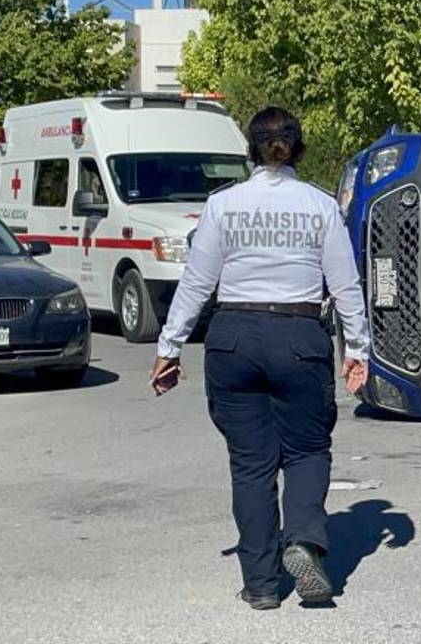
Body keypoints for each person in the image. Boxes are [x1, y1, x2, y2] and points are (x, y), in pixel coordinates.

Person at [149, 106, 370, 610]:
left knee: (250, 465)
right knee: (307, 449)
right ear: (299, 150)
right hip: (298, 335)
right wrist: (357, 348)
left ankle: (263, 585)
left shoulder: (223, 204)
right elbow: (345, 284)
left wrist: (169, 349)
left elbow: (197, 283)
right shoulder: (319, 205)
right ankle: (303, 541)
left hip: (233, 338)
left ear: (249, 151)